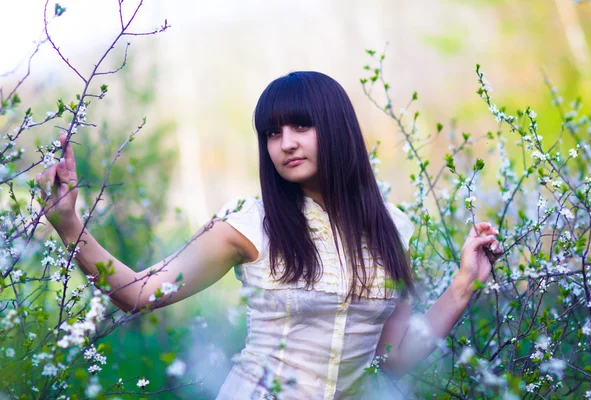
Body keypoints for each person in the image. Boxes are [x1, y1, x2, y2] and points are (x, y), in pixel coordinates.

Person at [36, 71, 503, 399]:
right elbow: (138, 293)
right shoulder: (250, 223)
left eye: (302, 125)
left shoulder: (393, 228)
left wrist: (465, 285)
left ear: (337, 128)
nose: (286, 143)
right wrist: (70, 225)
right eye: (272, 133)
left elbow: (396, 356)